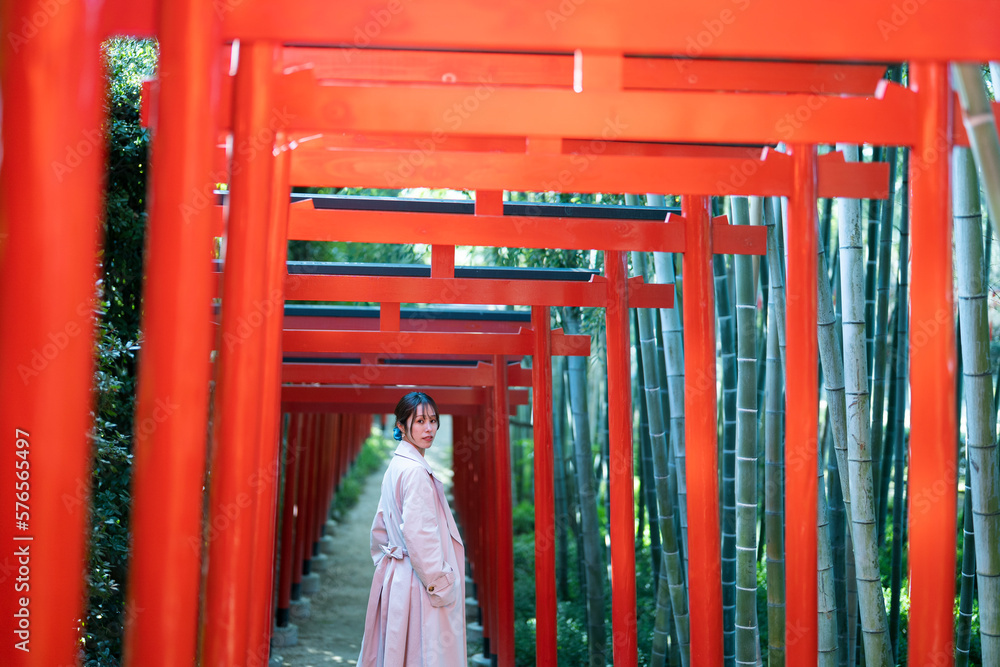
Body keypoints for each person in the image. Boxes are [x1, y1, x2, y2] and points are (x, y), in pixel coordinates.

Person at [359, 391, 467, 666]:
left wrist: (390, 564)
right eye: (419, 421)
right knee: (423, 655)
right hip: (418, 582)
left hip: (399, 576)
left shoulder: (397, 465)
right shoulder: (415, 471)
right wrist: (442, 585)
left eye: (433, 420)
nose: (429, 428)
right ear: (401, 425)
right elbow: (420, 536)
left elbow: (379, 530)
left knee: (399, 654)